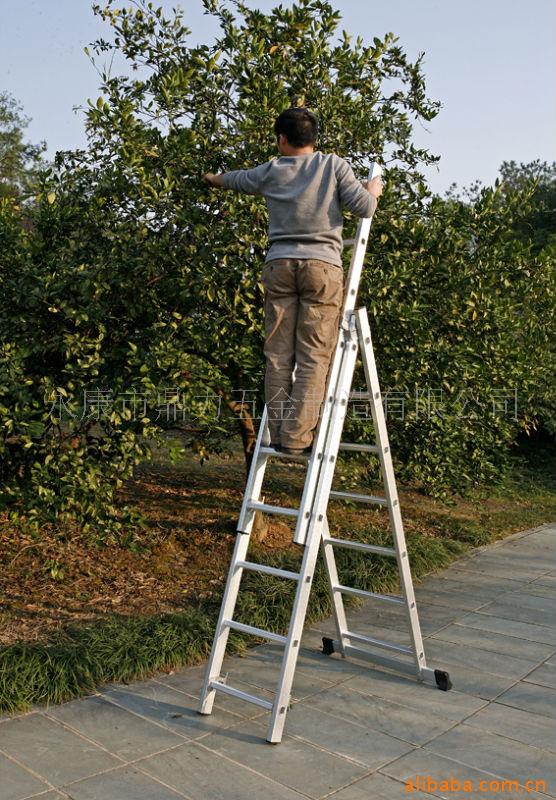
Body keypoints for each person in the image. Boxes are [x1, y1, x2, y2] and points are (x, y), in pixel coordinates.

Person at [203, 107, 383, 456]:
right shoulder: (333, 165)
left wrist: (213, 178)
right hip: (322, 268)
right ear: (314, 138)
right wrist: (372, 188)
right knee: (314, 356)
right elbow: (364, 208)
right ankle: (297, 438)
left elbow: (237, 178)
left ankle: (276, 432)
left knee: (278, 355)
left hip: (280, 265)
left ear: (282, 139)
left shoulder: (271, 171)